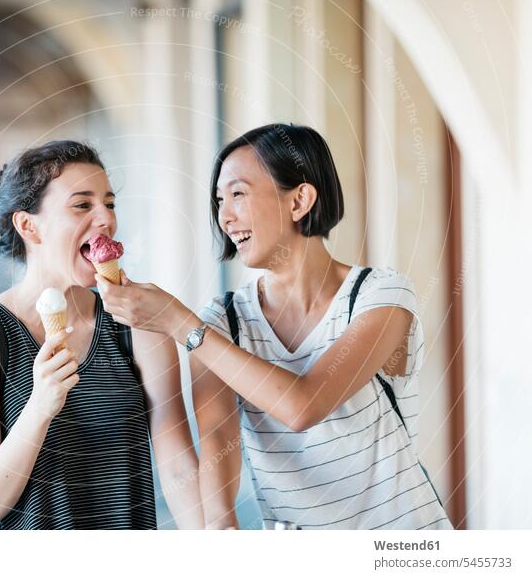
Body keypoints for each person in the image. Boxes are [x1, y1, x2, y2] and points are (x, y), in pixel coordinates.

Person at [96, 124, 453, 530]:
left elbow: (304, 405)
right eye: (219, 200)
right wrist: (220, 529)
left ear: (300, 199)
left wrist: (179, 322)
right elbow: (215, 440)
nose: (225, 217)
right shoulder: (224, 321)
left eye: (238, 194)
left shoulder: (381, 297)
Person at [0, 140, 203, 530]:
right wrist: (40, 406)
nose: (106, 220)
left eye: (109, 204)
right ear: (28, 226)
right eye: (83, 205)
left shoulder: (137, 325)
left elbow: (178, 463)